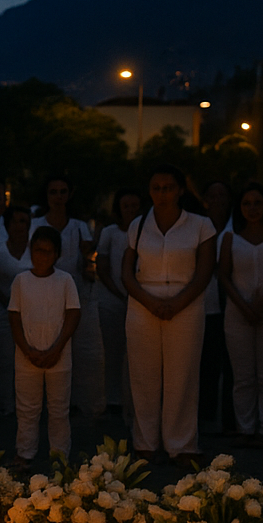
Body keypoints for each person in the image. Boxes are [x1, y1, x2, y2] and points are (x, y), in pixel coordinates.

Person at [122, 164, 216, 464]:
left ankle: (182, 443)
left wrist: (177, 303)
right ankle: (145, 441)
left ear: (180, 190)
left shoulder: (201, 226)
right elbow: (126, 271)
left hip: (186, 304)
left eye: (168, 187)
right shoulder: (138, 225)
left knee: (183, 374)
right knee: (143, 374)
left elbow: (204, 273)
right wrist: (149, 301)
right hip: (143, 302)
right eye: (156, 187)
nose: (162, 193)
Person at [218, 183, 263, 449]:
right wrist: (243, 303)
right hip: (238, 311)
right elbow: (224, 275)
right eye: (246, 203)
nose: (252, 209)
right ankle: (245, 427)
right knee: (243, 374)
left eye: (257, 203)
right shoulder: (230, 238)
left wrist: (262, 300)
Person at [32, 176, 104, 417]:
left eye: (63, 191)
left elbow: (86, 261)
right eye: (54, 192)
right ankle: (45, 405)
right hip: (44, 295)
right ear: (47, 195)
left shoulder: (79, 226)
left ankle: (85, 404)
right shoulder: (36, 224)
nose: (59, 197)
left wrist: (88, 257)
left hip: (77, 293)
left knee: (85, 351)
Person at [9, 225, 80, 465]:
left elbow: (72, 315)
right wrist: (27, 350)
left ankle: (59, 458)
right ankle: (25, 453)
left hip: (59, 357)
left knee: (59, 410)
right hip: (26, 357)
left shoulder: (65, 280)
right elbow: (15, 318)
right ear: (31, 250)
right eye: (38, 250)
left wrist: (56, 348)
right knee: (27, 409)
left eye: (49, 251)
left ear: (57, 254)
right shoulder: (21, 281)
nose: (43, 256)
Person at [95, 189, 143, 426]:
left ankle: (134, 400)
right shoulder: (110, 233)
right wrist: (120, 292)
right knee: (113, 352)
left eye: (135, 205)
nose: (131, 210)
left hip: (140, 300)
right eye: (126, 206)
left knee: (137, 354)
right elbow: (102, 267)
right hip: (113, 300)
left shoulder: (147, 232)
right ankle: (113, 398)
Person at [198, 180, 237, 435]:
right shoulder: (198, 227)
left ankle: (232, 419)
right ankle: (205, 414)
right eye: (213, 195)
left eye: (222, 194)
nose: (218, 200)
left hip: (235, 300)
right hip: (208, 303)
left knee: (234, 364)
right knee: (208, 362)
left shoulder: (238, 228)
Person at [0, 205, 33, 415]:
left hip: (32, 314)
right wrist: (8, 302)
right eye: (15, 221)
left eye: (23, 221)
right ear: (7, 225)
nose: (19, 226)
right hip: (1, 310)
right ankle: (3, 404)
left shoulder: (36, 250)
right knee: (2, 360)